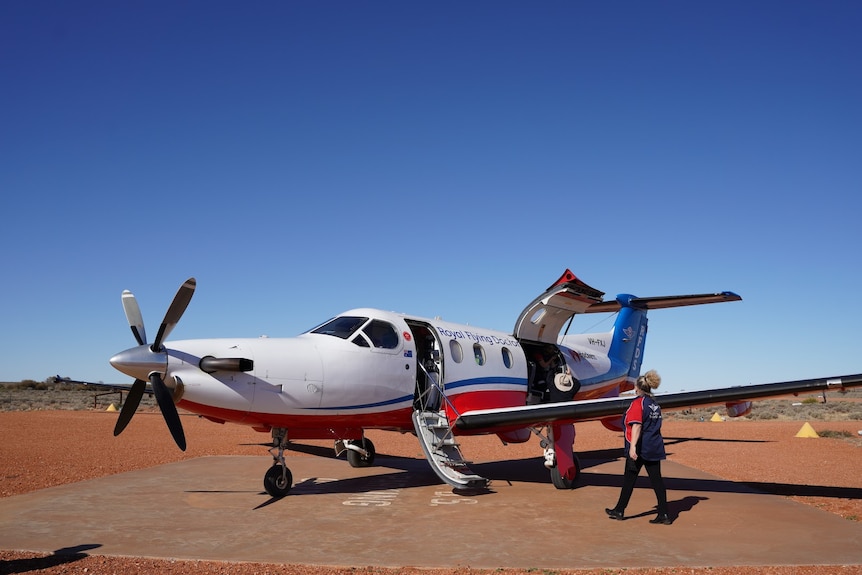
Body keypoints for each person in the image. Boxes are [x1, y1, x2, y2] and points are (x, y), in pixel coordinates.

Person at [605, 369, 671, 524]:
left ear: (637, 388)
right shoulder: (654, 404)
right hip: (654, 446)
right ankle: (664, 514)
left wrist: (633, 447)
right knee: (657, 482)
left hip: (641, 448)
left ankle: (619, 510)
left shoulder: (637, 403)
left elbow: (636, 426)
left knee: (629, 480)